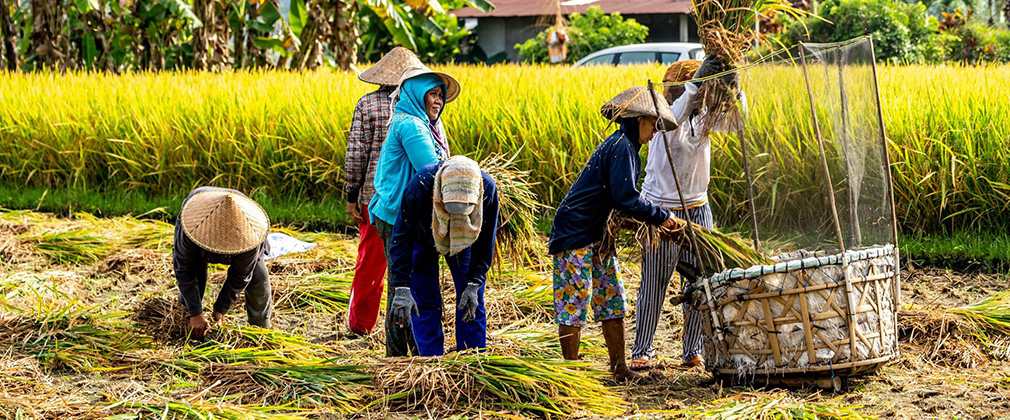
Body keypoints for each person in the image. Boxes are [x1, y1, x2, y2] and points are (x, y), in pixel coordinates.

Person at [548, 86, 681, 382]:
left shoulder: (627, 147)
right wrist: (663, 217)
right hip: (575, 232)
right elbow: (626, 198)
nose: (654, 132)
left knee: (612, 297)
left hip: (599, 234)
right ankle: (571, 372)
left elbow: (620, 200)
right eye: (652, 124)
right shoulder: (621, 146)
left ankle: (619, 367)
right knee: (575, 302)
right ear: (638, 119)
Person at [630, 55, 744, 370]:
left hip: (697, 208)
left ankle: (692, 350)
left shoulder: (703, 115)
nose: (682, 96)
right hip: (661, 209)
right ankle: (642, 349)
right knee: (655, 280)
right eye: (680, 91)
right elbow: (675, 115)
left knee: (699, 281)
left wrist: (735, 90)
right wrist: (695, 86)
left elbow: (738, 123)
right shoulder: (661, 118)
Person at [370, 64, 461, 356]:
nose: (437, 100)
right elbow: (432, 169)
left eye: (440, 95)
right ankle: (396, 356)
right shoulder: (410, 124)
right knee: (402, 286)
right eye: (431, 94)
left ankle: (415, 346)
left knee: (412, 283)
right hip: (397, 216)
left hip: (414, 215)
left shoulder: (429, 123)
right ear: (416, 95)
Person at [344, 47, 424, 336]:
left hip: (374, 198)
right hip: (416, 197)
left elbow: (356, 156)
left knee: (371, 261)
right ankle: (411, 327)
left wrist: (351, 196)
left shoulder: (367, 105)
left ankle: (361, 325)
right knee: (413, 262)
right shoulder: (424, 104)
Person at [386, 156, 499, 356]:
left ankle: (471, 359)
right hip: (424, 234)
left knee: (470, 299)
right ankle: (431, 361)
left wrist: (476, 281)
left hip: (464, 238)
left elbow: (485, 241)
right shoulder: (421, 185)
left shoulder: (487, 190)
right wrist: (402, 285)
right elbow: (403, 235)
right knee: (423, 299)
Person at [172, 187, 272, 340]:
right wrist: (195, 313)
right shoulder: (192, 227)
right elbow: (184, 270)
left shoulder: (251, 236)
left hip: (242, 217)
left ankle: (261, 331)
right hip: (202, 212)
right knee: (196, 272)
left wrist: (220, 310)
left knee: (258, 275)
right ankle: (186, 319)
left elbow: (240, 275)